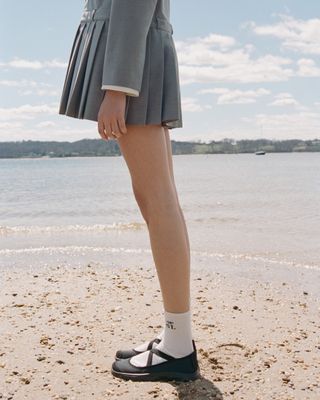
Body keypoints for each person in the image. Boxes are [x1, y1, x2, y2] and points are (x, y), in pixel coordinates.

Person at [58, 0, 200, 382]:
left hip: (131, 60)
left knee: (158, 201)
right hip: (136, 53)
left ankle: (178, 348)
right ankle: (177, 337)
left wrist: (118, 86)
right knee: (157, 200)